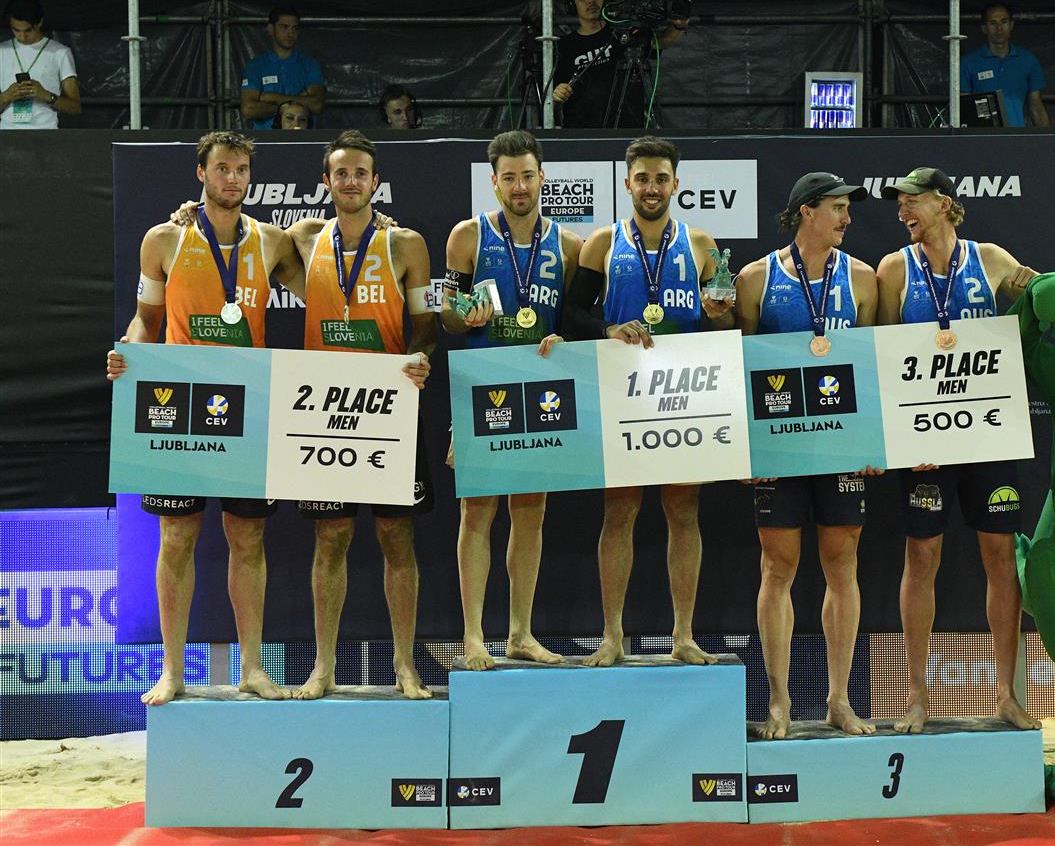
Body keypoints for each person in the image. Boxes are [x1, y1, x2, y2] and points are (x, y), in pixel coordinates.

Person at [104, 131, 307, 705]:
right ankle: (172, 670)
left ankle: (253, 668)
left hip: (249, 405)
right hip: (180, 406)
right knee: (176, 538)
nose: (232, 179)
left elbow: (325, 283)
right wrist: (130, 347)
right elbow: (146, 319)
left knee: (248, 538)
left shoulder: (271, 241)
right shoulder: (164, 238)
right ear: (201, 173)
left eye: (241, 170)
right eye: (222, 169)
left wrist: (367, 226)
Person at [875, 166, 1039, 733]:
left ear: (944, 203)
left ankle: (1007, 695)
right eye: (899, 203)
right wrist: (899, 435)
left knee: (1001, 557)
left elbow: (1046, 296)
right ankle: (916, 695)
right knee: (922, 558)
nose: (902, 211)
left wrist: (1054, 291)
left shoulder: (989, 259)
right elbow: (881, 354)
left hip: (988, 434)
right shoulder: (894, 269)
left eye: (912, 200)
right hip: (926, 440)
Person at [563, 135, 733, 666]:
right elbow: (571, 316)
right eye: (643, 179)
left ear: (676, 184)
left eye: (661, 178)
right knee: (619, 511)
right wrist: (608, 328)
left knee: (684, 511)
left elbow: (725, 317)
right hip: (623, 392)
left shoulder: (701, 243)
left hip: (685, 393)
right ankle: (612, 635)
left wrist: (720, 312)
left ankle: (684, 635)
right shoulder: (602, 242)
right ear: (627, 183)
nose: (652, 188)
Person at [282, 130, 435, 699]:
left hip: (388, 405)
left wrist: (420, 356)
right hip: (325, 408)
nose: (351, 182)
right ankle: (323, 666)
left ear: (376, 182)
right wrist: (185, 213)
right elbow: (238, 237)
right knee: (331, 538)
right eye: (341, 173)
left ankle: (405, 664)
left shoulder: (406, 244)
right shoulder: (302, 237)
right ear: (327, 181)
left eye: (361, 173)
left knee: (397, 537)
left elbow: (426, 326)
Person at [734, 172, 881, 738]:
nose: (847, 218)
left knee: (843, 565)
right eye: (837, 208)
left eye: (847, 208)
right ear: (806, 212)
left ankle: (839, 700)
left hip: (841, 445)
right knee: (778, 567)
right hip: (780, 447)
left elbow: (871, 367)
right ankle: (779, 701)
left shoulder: (863, 278)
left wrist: (872, 441)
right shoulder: (756, 279)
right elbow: (741, 369)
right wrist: (748, 450)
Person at [441, 130, 582, 671]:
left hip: (543, 391)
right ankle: (474, 636)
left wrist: (567, 337)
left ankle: (520, 632)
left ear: (542, 177)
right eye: (508, 178)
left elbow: (574, 322)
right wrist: (463, 315)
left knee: (531, 511)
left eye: (527, 176)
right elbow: (445, 314)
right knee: (477, 511)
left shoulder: (569, 246)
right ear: (494, 182)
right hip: (484, 387)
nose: (519, 186)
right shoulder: (467, 236)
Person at [551, 0, 687, 128]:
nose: (591, 0)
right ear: (572, 5)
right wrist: (557, 97)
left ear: (605, 0)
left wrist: (678, 26)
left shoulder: (624, 31)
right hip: (582, 131)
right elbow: (554, 102)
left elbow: (661, 42)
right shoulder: (563, 47)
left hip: (627, 129)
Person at [960, 2, 1049, 128]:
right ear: (984, 28)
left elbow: (1036, 107)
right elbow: (963, 109)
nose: (999, 28)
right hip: (981, 137)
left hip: (1017, 136)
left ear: (1011, 25)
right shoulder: (967, 63)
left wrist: (1048, 138)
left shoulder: (1027, 60)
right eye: (993, 23)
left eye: (1004, 22)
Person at [239, 5, 325, 130]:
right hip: (265, 139)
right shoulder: (256, 65)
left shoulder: (309, 65)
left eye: (295, 28)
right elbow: (248, 110)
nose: (290, 33)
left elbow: (317, 105)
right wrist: (296, 103)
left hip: (302, 139)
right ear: (271, 29)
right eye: (284, 27)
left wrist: (272, 98)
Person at [0, 0, 79, 129]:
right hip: (7, 133)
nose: (22, 36)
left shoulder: (60, 53)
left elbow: (75, 108)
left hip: (45, 133)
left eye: (28, 30)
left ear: (40, 22)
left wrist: (46, 95)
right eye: (16, 30)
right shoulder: (2, 51)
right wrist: (6, 96)